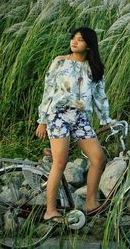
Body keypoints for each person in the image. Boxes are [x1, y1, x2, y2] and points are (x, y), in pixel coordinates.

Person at [35, 26, 114, 224]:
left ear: (89, 45)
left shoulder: (94, 68)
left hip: (80, 118)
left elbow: (99, 97)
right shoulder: (60, 61)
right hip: (58, 115)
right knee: (60, 161)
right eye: (73, 38)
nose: (74, 41)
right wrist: (42, 120)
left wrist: (106, 120)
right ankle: (50, 211)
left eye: (80, 39)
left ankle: (90, 203)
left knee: (98, 158)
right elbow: (48, 91)